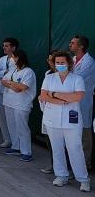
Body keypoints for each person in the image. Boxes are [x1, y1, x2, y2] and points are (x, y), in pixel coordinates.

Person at [39, 51, 90, 192]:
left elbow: (78, 97)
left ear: (69, 63)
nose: (60, 65)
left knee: (75, 149)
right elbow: (43, 96)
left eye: (62, 62)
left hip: (71, 120)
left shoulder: (77, 79)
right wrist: (62, 100)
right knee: (57, 149)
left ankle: (83, 179)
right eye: (57, 63)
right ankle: (61, 175)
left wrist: (54, 94)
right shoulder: (49, 78)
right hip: (52, 119)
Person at [1, 49, 36, 162]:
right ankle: (16, 147)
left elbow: (23, 88)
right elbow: (3, 81)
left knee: (22, 127)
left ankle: (26, 152)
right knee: (12, 125)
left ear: (19, 58)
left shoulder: (28, 72)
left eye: (14, 57)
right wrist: (13, 85)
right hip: (9, 102)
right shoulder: (13, 70)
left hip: (21, 104)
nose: (12, 60)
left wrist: (11, 84)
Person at [69, 35, 95, 170]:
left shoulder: (89, 62)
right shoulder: (72, 60)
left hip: (83, 103)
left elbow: (76, 80)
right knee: (74, 133)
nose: (70, 45)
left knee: (85, 133)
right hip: (72, 103)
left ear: (81, 46)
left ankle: (85, 164)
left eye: (73, 43)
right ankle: (75, 164)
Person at [0, 37, 18, 149]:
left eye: (6, 46)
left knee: (12, 119)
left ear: (13, 47)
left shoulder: (17, 59)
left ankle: (15, 141)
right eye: (4, 45)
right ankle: (6, 139)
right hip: (1, 91)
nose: (4, 48)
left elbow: (13, 74)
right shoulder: (2, 59)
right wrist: (4, 72)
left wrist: (3, 73)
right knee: (2, 117)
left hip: (11, 92)